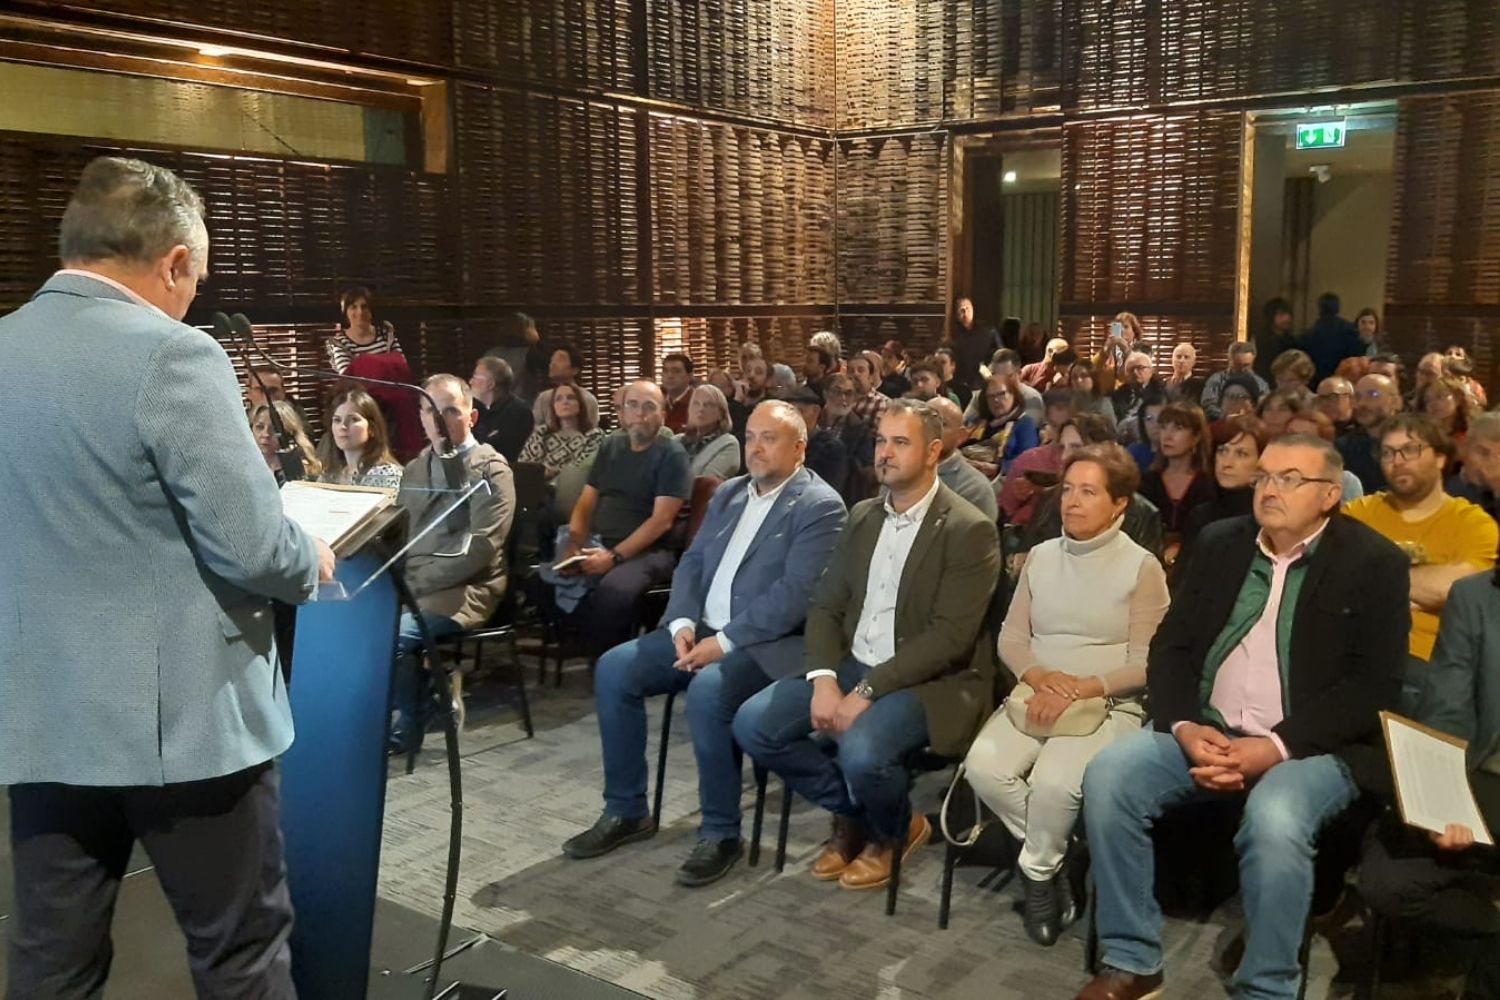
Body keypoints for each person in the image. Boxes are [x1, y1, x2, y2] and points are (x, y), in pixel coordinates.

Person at [0, 155, 335, 998]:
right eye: (198, 277)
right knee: (240, 952)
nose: (192, 296)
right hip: (185, 728)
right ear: (175, 261)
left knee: (52, 959)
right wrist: (312, 555)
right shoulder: (172, 354)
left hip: (41, 717)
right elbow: (255, 547)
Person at [1073, 435, 1410, 1000]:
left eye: (1289, 479)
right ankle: (1133, 959)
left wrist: (1274, 748)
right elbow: (1171, 647)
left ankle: (1268, 988)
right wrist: (1184, 725)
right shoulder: (1220, 543)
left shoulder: (1374, 563)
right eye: (1264, 478)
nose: (1270, 489)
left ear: (1330, 495)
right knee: (1109, 775)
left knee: (1276, 818)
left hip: (1311, 746)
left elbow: (1373, 687)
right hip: (1206, 729)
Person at [562, 402, 847, 885]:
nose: (755, 448)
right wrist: (679, 622)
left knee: (709, 691)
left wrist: (727, 642)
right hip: (701, 631)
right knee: (614, 669)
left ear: (799, 448)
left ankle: (720, 831)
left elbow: (795, 597)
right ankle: (627, 809)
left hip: (767, 645)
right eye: (751, 436)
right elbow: (691, 563)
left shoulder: (820, 505)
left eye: (769, 438)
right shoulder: (730, 492)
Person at [733, 400, 1002, 891]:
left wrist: (867, 690)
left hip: (931, 680)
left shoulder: (968, 529)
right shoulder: (862, 516)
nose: (885, 452)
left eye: (901, 442)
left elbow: (950, 637)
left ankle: (893, 832)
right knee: (755, 724)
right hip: (854, 664)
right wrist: (823, 681)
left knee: (860, 750)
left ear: (934, 452)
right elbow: (826, 607)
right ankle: (857, 812)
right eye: (881, 441)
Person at [965, 443, 1169, 945]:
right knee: (983, 769)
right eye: (1068, 489)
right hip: (1039, 691)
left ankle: (1035, 874)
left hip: (1107, 701)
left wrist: (1083, 687)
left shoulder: (1142, 567)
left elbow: (1147, 662)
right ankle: (1056, 858)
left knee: (1056, 784)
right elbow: (1011, 639)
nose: (1072, 501)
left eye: (1089, 492)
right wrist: (1037, 676)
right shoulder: (1039, 556)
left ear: (1120, 503)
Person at [1359, 568, 1500, 998]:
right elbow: (1447, 709)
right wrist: (1445, 801)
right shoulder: (1475, 596)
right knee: (1388, 883)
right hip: (1488, 775)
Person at [389, 374, 516, 754]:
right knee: (355, 627)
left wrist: (413, 585)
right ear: (421, 417)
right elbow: (399, 535)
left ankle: (415, 719)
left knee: (390, 639)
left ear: (471, 418)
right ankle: (432, 693)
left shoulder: (491, 469)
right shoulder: (414, 469)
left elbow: (479, 550)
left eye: (450, 411)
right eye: (430, 411)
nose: (439, 420)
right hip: (413, 585)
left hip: (466, 588)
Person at [1343, 414, 1498, 712]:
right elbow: (1334, 578)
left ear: (1440, 458)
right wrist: (1418, 589)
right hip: (1359, 656)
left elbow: (1462, 589)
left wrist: (1377, 585)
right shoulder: (1357, 514)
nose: (1397, 460)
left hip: (1433, 665)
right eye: (1388, 452)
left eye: (1410, 450)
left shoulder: (1473, 523)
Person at [546, 381, 692, 654]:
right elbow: (586, 501)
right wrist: (575, 543)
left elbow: (661, 521)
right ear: (622, 413)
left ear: (662, 415)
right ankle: (587, 645)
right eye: (633, 405)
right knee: (542, 582)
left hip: (648, 550)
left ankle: (607, 662)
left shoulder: (672, 454)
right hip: (599, 542)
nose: (640, 413)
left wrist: (613, 557)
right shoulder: (611, 445)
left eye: (649, 407)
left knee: (612, 592)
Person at [1176, 415, 1268, 570]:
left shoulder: (1267, 519)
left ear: (1261, 463)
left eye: (1241, 454)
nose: (1227, 463)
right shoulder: (1200, 516)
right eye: (1222, 451)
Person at [1138, 402, 1216, 565]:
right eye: (1164, 427)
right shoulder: (1147, 482)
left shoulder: (1209, 485)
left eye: (1178, 428)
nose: (1167, 436)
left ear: (1196, 437)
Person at [1001, 413, 1109, 528]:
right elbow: (1004, 512)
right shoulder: (1030, 462)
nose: (1064, 456)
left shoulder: (1114, 497)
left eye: (1076, 447)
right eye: (1062, 447)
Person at [517, 382, 607, 483]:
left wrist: (549, 472)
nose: (565, 402)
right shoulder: (542, 433)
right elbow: (524, 467)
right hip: (535, 488)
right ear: (553, 407)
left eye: (571, 398)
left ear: (580, 404)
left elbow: (581, 470)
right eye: (558, 399)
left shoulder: (594, 436)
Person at [317, 388, 404, 489]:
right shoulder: (330, 474)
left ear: (372, 428)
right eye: (337, 420)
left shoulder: (386, 473)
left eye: (353, 419)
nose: (343, 426)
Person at [931, 395, 999, 521]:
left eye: (942, 424)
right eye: (925, 421)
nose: (931, 429)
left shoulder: (975, 488)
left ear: (960, 436)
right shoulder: (898, 471)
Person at [964, 371, 1041, 480]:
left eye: (1001, 394)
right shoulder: (977, 421)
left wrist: (998, 468)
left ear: (1013, 394)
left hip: (1000, 480)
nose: (996, 400)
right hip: (966, 471)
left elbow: (1028, 462)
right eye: (990, 397)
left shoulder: (1024, 423)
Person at [1338, 373, 1401, 493]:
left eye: (1373, 395)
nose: (1362, 403)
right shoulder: (1343, 448)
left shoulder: (1415, 443)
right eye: (1357, 397)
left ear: (1395, 402)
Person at [1283, 409, 1363, 503]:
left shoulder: (1345, 482)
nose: (1295, 441)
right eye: (1290, 434)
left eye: (1305, 436)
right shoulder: (1270, 479)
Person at [326, 284, 403, 374]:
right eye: (353, 307)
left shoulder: (385, 333)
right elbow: (349, 380)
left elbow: (400, 369)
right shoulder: (340, 343)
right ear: (345, 312)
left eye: (364, 306)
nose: (360, 312)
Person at [470, 355, 534, 463]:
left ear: (490, 384)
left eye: (475, 377)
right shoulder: (474, 408)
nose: (471, 382)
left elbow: (504, 452)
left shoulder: (518, 412)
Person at [250, 400, 323, 485]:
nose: (265, 434)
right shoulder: (245, 468)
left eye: (274, 429)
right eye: (259, 427)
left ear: (289, 432)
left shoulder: (305, 470)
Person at [678, 384, 742, 479]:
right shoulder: (675, 440)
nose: (701, 409)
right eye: (696, 403)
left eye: (708, 405)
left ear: (721, 413)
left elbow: (704, 484)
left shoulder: (728, 443)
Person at [1301, 291, 1364, 383]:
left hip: (1316, 381)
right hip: (1343, 380)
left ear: (1320, 308)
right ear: (1338, 308)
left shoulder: (1309, 333)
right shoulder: (1349, 330)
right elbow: (1356, 357)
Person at [947, 294, 1002, 400]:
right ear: (956, 314)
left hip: (984, 380)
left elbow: (1000, 354)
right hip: (961, 383)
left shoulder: (988, 331)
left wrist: (990, 367)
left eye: (967, 308)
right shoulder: (953, 335)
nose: (965, 313)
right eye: (961, 310)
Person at [532, 344, 601, 428]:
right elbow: (535, 430)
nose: (553, 364)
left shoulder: (587, 399)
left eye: (559, 360)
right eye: (551, 360)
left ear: (575, 370)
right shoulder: (543, 398)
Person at [1201, 342, 1270, 419]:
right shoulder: (1217, 380)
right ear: (1229, 360)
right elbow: (1208, 406)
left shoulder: (1260, 383)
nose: (1242, 369)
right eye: (1238, 364)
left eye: (1246, 365)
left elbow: (1266, 407)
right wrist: (1227, 417)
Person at [1093, 311, 1143, 395]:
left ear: (1135, 332)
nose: (1122, 331)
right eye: (1118, 328)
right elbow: (1092, 370)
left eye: (1126, 327)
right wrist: (1105, 352)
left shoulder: (1141, 351)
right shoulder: (1108, 353)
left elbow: (1139, 375)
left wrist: (1126, 350)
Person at [1253, 297, 1298, 383]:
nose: (1286, 318)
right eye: (1281, 315)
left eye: (1288, 314)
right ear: (1271, 317)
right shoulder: (1262, 340)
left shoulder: (1291, 341)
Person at [1069, 359, 1118, 432]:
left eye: (1084, 376)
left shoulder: (1103, 403)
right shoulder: (1067, 402)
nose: (1078, 380)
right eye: (1074, 377)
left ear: (1093, 379)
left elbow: (1110, 431)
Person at [660, 353, 696, 434]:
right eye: (665, 371)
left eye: (676, 371)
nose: (669, 376)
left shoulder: (698, 402)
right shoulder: (657, 402)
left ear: (690, 376)